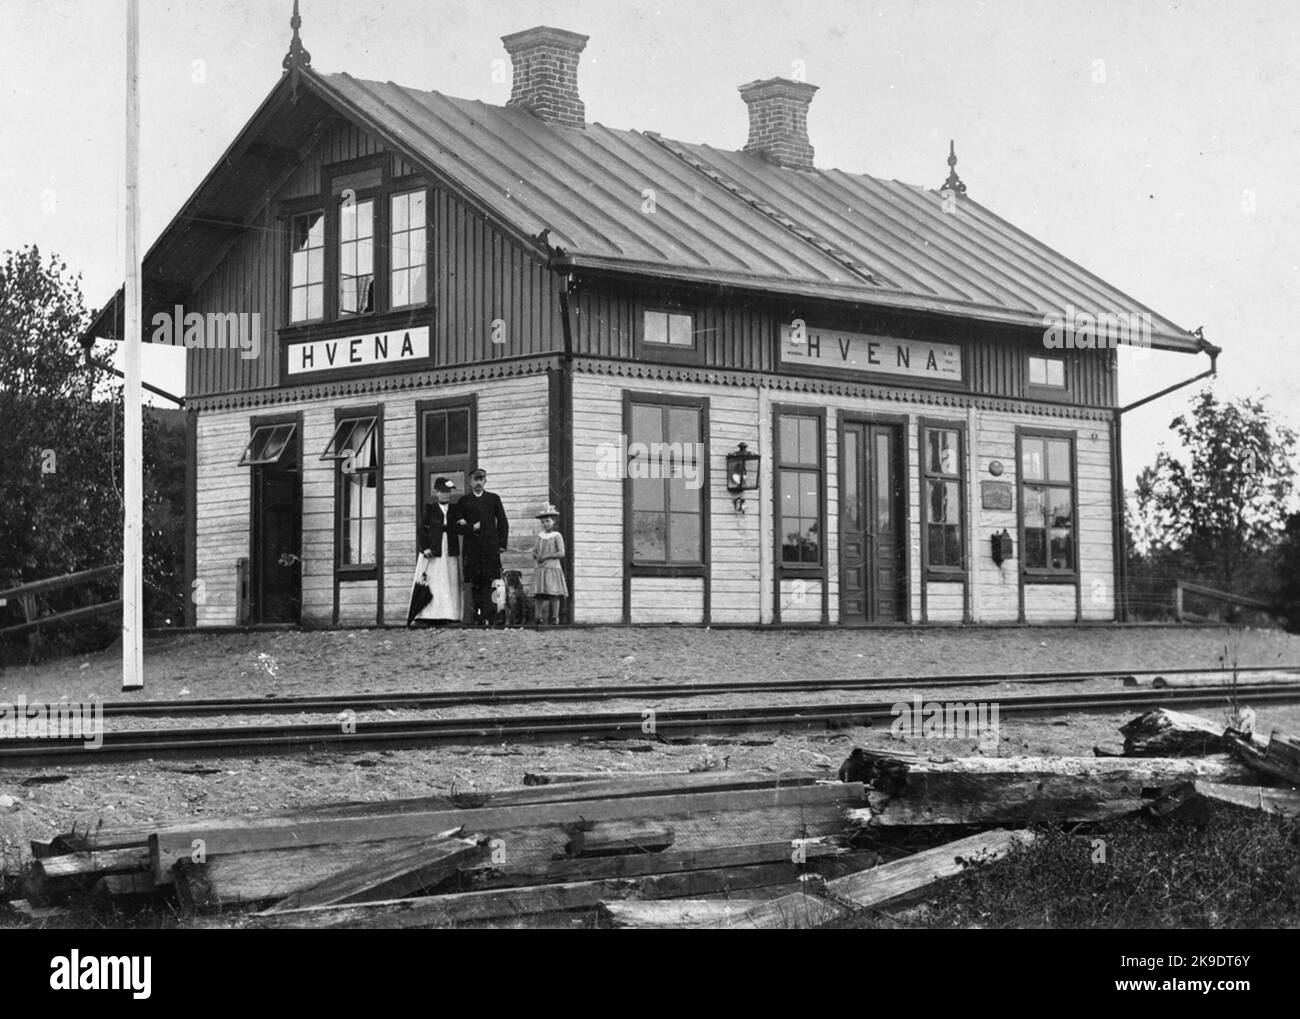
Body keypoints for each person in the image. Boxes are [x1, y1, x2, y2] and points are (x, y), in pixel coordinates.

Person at [456, 468, 510, 627]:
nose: (478, 482)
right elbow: (458, 528)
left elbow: (503, 523)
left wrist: (501, 544)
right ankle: (479, 617)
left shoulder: (493, 499)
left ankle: (494, 616)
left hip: (490, 548)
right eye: (475, 479)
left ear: (485, 481)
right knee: (476, 583)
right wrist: (472, 526)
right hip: (472, 550)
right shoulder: (463, 501)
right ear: (470, 482)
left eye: (481, 479)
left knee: (493, 582)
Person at [414, 477, 466, 624]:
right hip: (434, 549)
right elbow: (422, 530)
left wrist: (463, 521)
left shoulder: (455, 509)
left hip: (450, 548)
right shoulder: (429, 509)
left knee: (450, 579)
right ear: (436, 492)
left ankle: (450, 615)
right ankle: (429, 615)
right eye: (442, 492)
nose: (445, 495)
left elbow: (461, 525)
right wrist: (425, 548)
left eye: (448, 492)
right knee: (434, 580)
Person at [531, 504, 567, 624]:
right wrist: (536, 556)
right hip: (541, 568)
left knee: (553, 593)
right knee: (539, 594)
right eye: (543, 522)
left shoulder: (557, 536)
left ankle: (554, 617)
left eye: (548, 521)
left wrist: (547, 556)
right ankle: (538, 617)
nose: (546, 524)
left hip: (552, 568)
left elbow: (561, 552)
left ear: (553, 521)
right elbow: (535, 551)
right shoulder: (540, 536)